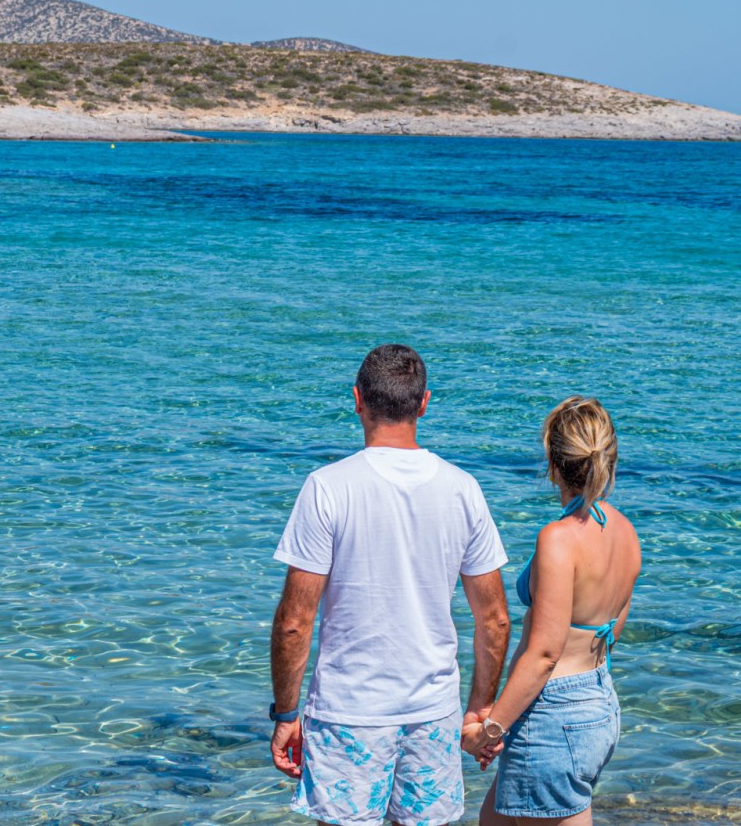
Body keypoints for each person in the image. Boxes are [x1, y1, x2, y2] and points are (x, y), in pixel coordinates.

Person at [270, 343, 511, 826]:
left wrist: (286, 714)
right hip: (434, 712)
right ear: (424, 404)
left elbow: (296, 622)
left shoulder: (328, 486)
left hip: (349, 713)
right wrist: (480, 710)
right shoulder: (462, 487)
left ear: (357, 399)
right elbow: (495, 619)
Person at [463, 396, 641, 825]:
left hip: (554, 715)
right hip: (598, 704)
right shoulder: (625, 532)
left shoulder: (559, 539)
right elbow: (612, 629)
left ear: (553, 463)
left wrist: (490, 730)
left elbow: (544, 655)